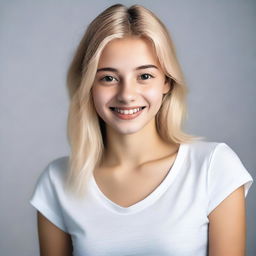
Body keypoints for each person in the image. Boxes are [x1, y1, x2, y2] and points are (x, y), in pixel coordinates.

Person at [29, 4, 253, 256]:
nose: (127, 95)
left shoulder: (213, 167)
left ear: (167, 81)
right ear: (88, 85)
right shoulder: (58, 181)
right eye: (108, 78)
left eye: (144, 76)